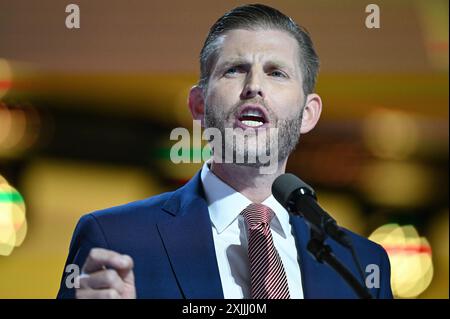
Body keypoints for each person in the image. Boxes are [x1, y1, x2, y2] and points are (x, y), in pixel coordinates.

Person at [57, 4, 393, 299]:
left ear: (308, 113)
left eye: (276, 73)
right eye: (234, 69)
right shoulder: (117, 238)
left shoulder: (361, 265)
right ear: (198, 105)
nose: (254, 87)